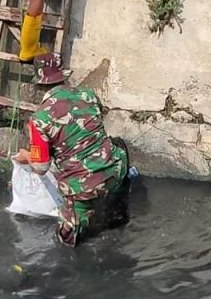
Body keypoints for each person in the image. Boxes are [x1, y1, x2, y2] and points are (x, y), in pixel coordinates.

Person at [12, 54, 132, 247]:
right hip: (115, 170)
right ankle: (118, 207)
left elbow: (42, 167)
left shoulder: (39, 119)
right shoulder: (88, 95)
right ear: (63, 76)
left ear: (39, 84)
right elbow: (92, 123)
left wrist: (26, 156)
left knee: (67, 241)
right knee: (119, 145)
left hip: (82, 188)